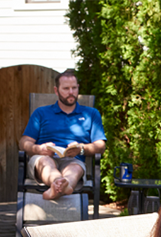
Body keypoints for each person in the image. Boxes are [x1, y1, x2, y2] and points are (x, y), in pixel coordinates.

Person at [18, 70, 106, 200]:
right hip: (43, 158)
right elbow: (23, 142)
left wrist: (81, 149)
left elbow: (101, 145)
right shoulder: (41, 113)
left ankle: (58, 187)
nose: (71, 92)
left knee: (75, 168)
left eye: (74, 88)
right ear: (56, 90)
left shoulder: (91, 114)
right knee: (46, 162)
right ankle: (61, 184)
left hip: (74, 160)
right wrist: (39, 149)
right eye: (66, 88)